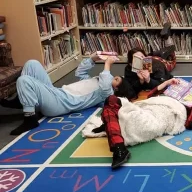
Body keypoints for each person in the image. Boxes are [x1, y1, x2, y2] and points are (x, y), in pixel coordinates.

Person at [1, 54, 135, 135]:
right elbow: (80, 73)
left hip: (60, 103)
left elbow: (106, 84)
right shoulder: (98, 82)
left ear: (116, 89)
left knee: (24, 80)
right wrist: (93, 59)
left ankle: (30, 119)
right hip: (57, 93)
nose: (112, 76)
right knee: (32, 64)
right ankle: (24, 101)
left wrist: (107, 64)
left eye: (116, 79)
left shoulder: (106, 93)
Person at [96, 78, 192, 169]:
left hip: (153, 120)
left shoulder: (183, 109)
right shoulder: (163, 98)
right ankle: (113, 130)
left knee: (111, 106)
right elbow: (151, 96)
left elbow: (191, 124)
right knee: (111, 101)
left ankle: (117, 143)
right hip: (145, 111)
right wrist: (167, 83)